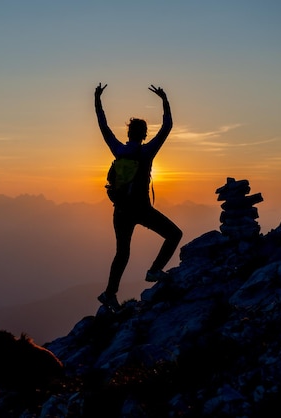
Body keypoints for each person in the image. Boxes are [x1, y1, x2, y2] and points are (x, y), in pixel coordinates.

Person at [95, 82, 183, 312]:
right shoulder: (146, 152)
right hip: (142, 209)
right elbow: (168, 126)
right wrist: (164, 99)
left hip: (121, 210)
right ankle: (155, 270)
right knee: (174, 234)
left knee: (122, 252)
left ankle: (109, 293)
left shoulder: (118, 150)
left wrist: (97, 99)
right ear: (144, 134)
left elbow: (102, 125)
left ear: (128, 133)